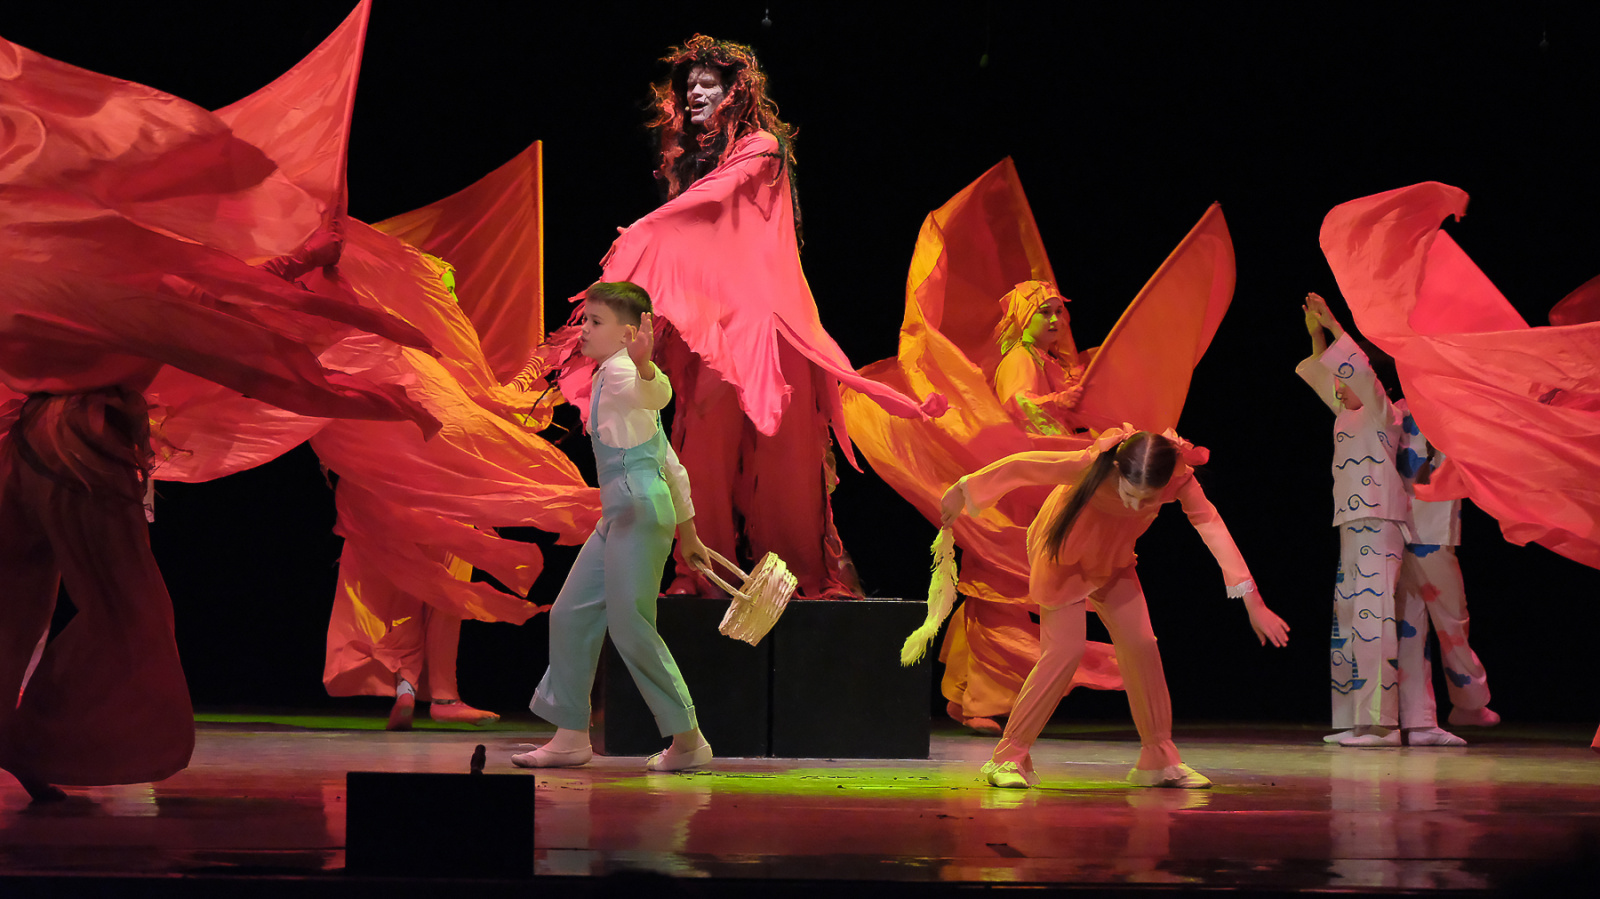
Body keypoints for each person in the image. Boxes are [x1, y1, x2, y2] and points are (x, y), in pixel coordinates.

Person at [578, 34, 940, 600]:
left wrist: (641, 233)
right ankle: (703, 573)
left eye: (707, 83)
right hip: (715, 326)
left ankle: (793, 575)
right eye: (689, 85)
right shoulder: (692, 165)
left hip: (769, 326)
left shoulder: (761, 148)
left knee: (783, 455)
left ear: (735, 91)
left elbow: (704, 205)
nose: (695, 92)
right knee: (701, 441)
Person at [939, 428, 1290, 789]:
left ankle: (1158, 758)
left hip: (1112, 561)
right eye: (1130, 493)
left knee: (1142, 644)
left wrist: (1254, 601)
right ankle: (1008, 756)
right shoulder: (1093, 465)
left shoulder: (1179, 480)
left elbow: (1211, 526)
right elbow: (1024, 466)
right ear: (1119, 469)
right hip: (1062, 557)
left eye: (1146, 499)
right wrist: (964, 490)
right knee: (1064, 652)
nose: (1135, 506)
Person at [517, 282, 714, 770]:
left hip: (638, 512)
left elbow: (658, 392)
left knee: (630, 626)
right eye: (585, 320)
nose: (583, 329)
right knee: (570, 614)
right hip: (624, 514)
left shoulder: (627, 372)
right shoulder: (610, 374)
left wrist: (646, 366)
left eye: (595, 322)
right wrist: (689, 533)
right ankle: (570, 737)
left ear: (628, 334)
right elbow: (669, 461)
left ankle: (689, 740)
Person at [1298, 291, 1439, 748]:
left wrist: (1335, 327)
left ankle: (1381, 724)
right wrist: (1317, 338)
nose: (1338, 387)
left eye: (1346, 379)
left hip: (1380, 522)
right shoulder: (1344, 417)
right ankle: (1354, 719)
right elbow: (1328, 378)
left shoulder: (1385, 415)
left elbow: (1358, 371)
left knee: (1373, 615)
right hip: (1351, 525)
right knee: (1349, 616)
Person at [1393, 402, 1496, 740]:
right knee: (1448, 621)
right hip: (1421, 531)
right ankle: (1465, 703)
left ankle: (1419, 715)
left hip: (1408, 529)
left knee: (1413, 625)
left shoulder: (1427, 407)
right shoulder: (1408, 409)